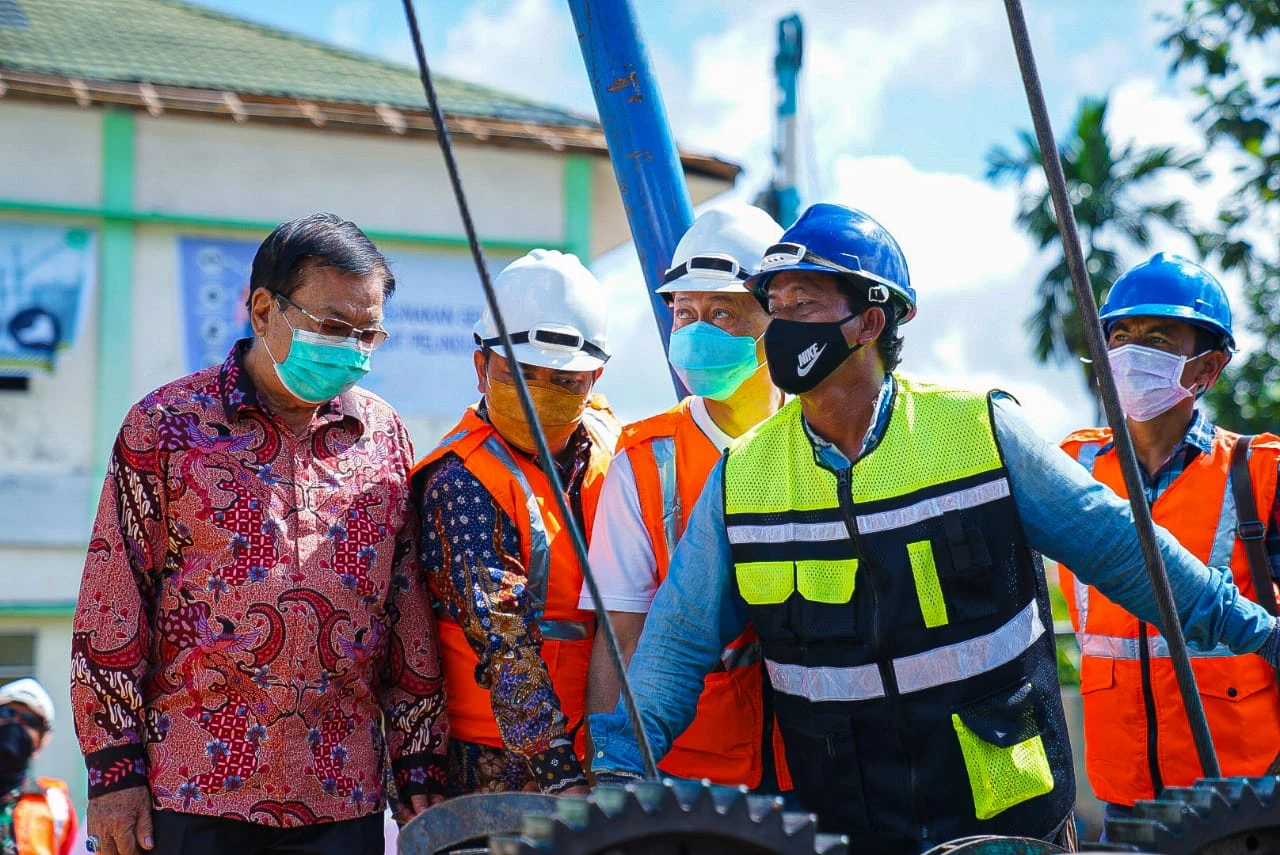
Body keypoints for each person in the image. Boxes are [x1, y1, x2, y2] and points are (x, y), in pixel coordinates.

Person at [588, 203, 1280, 855]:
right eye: (777, 305)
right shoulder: (743, 478)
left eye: (805, 303)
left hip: (1005, 818)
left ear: (870, 320)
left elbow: (1134, 558)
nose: (784, 321)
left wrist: (1266, 636)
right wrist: (616, 772)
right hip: (844, 821)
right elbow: (676, 646)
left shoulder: (979, 432)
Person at [72, 213, 448, 855]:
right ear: (263, 308)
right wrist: (114, 772)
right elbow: (113, 601)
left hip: (343, 791)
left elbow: (406, 605)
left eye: (368, 334)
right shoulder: (165, 427)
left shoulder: (383, 436)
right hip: (191, 789)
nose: (351, 350)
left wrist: (418, 761)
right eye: (332, 327)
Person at [1057, 253, 1280, 824]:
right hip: (1121, 786)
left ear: (1208, 367)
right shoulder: (1072, 466)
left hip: (1242, 787)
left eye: (1158, 337)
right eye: (1122, 335)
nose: (1132, 352)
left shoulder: (1258, 471)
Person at [582, 205, 789, 789]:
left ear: (776, 319)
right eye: (684, 313)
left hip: (817, 763)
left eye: (722, 312)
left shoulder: (820, 439)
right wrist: (613, 773)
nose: (697, 330)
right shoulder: (642, 462)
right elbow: (619, 634)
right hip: (688, 769)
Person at [414, 249, 619, 796]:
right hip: (500, 759)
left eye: (563, 381)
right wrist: (558, 773)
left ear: (595, 377)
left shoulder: (610, 446)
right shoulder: (463, 481)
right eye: (520, 374)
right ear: (481, 366)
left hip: (601, 744)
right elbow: (503, 639)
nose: (538, 394)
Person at [0, 679, 77, 855]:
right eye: (6, 712)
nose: (15, 723)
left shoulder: (57, 806)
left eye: (29, 721)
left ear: (41, 741)